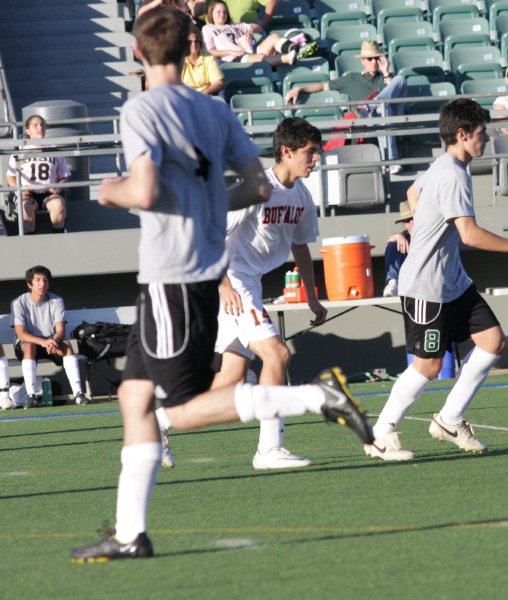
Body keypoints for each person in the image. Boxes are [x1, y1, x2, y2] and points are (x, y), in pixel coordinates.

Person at [69, 8, 372, 563]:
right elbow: (257, 186)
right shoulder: (214, 111)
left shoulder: (142, 108)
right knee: (134, 396)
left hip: (173, 274)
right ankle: (130, 534)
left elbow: (144, 188)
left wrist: (110, 190)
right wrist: (202, 200)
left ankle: (316, 397)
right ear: (192, 49)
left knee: (181, 410)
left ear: (138, 53)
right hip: (201, 274)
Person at [363, 98, 508, 461]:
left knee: (493, 341)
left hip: (453, 283)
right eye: (481, 133)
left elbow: (414, 192)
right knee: (427, 366)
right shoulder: (452, 174)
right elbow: (470, 235)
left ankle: (449, 418)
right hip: (425, 287)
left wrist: (424, 221)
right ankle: (381, 433)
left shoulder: (443, 167)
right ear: (461, 135)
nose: (487, 139)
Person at [157, 117, 328, 470]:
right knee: (278, 355)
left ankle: (157, 423)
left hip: (250, 282)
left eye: (317, 152)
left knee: (230, 382)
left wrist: (312, 296)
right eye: (310, 153)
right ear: (286, 151)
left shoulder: (302, 194)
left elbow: (301, 247)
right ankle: (268, 449)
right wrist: (223, 285)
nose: (316, 159)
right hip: (232, 281)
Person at [284, 41, 409, 173]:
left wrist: (386, 73)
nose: (373, 62)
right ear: (363, 61)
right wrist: (300, 88)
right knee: (384, 111)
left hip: (388, 116)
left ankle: (372, 105)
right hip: (366, 122)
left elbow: (396, 97)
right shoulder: (352, 79)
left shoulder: (385, 79)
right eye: (369, 59)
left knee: (399, 80)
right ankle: (391, 162)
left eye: (377, 58)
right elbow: (324, 86)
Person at [12, 265, 90, 407]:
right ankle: (31, 396)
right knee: (29, 346)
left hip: (51, 343)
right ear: (29, 284)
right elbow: (21, 334)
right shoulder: (18, 303)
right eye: (38, 280)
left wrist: (52, 341)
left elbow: (60, 330)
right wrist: (43, 342)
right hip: (29, 344)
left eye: (45, 280)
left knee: (66, 345)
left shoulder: (57, 301)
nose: (42, 284)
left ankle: (78, 394)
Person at [5, 115, 71, 234]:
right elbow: (10, 177)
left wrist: (58, 187)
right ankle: (30, 244)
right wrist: (19, 190)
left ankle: (58, 238)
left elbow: (64, 176)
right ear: (28, 131)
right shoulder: (20, 150)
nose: (40, 127)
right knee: (26, 207)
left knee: (58, 204)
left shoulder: (54, 150)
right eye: (35, 125)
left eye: (42, 124)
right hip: (28, 194)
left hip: (49, 193)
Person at [202, 0, 297, 67]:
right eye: (218, 12)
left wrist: (251, 30)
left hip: (249, 51)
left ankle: (295, 48)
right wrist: (231, 52)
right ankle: (286, 58)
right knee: (259, 57)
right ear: (211, 13)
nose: (222, 14)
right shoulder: (208, 28)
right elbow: (210, 51)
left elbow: (258, 28)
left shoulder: (234, 25)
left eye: (224, 12)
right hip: (235, 59)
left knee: (273, 36)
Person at [383, 200, 414, 297]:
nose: (412, 223)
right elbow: (389, 241)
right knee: (393, 245)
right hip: (409, 277)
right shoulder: (405, 236)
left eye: (413, 218)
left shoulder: (430, 233)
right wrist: (397, 236)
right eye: (407, 220)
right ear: (404, 224)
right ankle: (393, 282)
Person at [181, 25, 224, 95]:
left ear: (200, 43)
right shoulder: (178, 58)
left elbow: (218, 82)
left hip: (206, 94)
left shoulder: (208, 56)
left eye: (196, 41)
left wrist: (204, 93)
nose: (193, 44)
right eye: (190, 42)